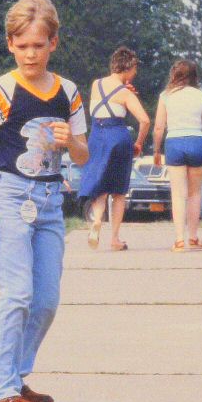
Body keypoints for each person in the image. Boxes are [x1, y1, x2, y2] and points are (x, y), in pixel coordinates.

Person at [0, 0, 89, 402]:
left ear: (54, 42)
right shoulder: (0, 89)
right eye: (22, 45)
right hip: (12, 197)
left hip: (51, 202)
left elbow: (85, 154)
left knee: (46, 300)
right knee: (17, 294)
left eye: (39, 44)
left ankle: (16, 378)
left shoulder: (67, 92)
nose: (31, 53)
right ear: (10, 45)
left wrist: (68, 140)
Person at [78, 46, 151, 251]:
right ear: (127, 67)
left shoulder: (96, 84)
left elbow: (105, 98)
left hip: (96, 137)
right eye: (134, 69)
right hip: (118, 136)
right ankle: (115, 239)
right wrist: (138, 143)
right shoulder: (126, 94)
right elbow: (145, 121)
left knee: (100, 187)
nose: (135, 73)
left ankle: (96, 221)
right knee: (118, 192)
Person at [151, 59, 202, 252]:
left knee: (178, 194)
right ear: (193, 76)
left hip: (174, 142)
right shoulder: (201, 96)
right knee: (195, 193)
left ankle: (179, 240)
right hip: (197, 142)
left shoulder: (165, 96)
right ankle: (194, 238)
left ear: (174, 74)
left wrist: (156, 151)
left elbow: (158, 127)